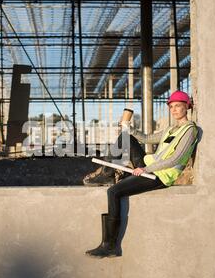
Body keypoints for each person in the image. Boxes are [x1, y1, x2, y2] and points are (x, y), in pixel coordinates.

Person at [85, 90, 199, 258]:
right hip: (151, 166)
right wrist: (129, 129)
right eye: (172, 107)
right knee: (127, 138)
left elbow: (175, 159)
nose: (174, 110)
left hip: (160, 176)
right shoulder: (171, 129)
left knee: (114, 192)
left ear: (187, 107)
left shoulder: (190, 131)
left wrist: (145, 170)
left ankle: (110, 246)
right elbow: (146, 139)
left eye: (178, 106)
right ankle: (108, 173)